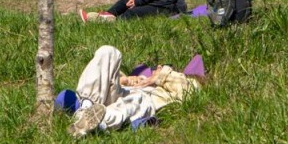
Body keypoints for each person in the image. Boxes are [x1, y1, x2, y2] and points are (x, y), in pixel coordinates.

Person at [67, 45, 201, 137]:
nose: (155, 70)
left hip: (141, 100)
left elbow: (191, 88)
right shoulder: (136, 78)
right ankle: (85, 109)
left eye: (159, 68)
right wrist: (123, 79)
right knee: (109, 51)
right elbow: (102, 76)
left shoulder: (160, 90)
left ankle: (100, 122)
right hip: (111, 96)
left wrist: (159, 77)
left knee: (138, 98)